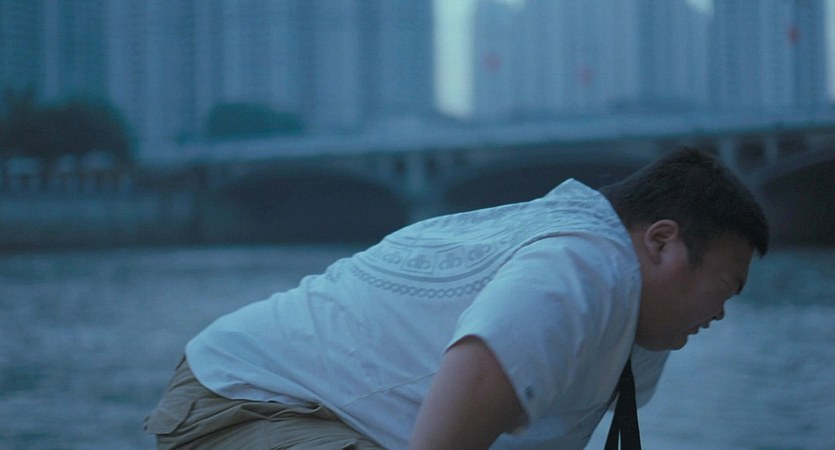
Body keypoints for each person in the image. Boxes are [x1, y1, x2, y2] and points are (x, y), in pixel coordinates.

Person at [144, 148, 769, 449]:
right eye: (726, 286)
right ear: (662, 242)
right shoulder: (580, 270)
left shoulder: (638, 324)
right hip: (245, 402)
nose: (721, 312)